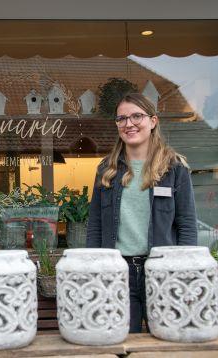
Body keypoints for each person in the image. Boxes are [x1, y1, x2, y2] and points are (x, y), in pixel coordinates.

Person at [86, 92, 197, 333]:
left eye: (137, 116)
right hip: (117, 272)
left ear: (153, 121)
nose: (129, 124)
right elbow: (95, 225)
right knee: (121, 340)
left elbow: (187, 225)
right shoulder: (107, 170)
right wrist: (95, 269)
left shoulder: (174, 168)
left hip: (163, 271)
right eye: (121, 119)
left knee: (168, 337)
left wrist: (184, 271)